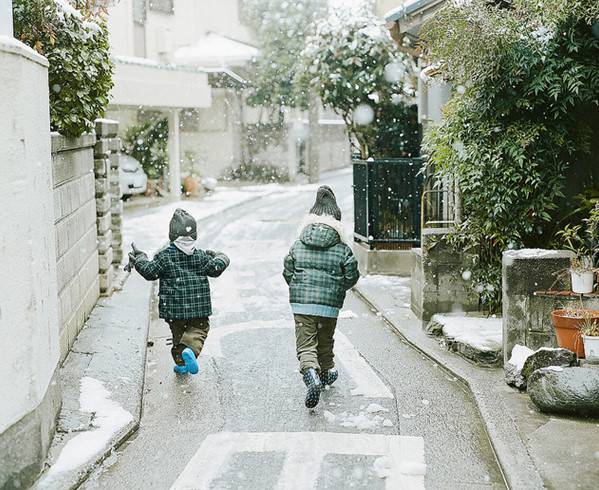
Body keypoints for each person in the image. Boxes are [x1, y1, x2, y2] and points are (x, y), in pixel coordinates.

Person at [127, 208, 230, 375]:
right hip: (198, 308)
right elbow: (216, 269)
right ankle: (189, 351)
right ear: (194, 235)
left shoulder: (164, 256)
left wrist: (140, 258)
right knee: (198, 331)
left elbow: (149, 272)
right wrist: (221, 256)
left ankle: (181, 363)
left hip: (174, 310)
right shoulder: (201, 256)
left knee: (178, 336)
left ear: (172, 234)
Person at [283, 186, 360, 408]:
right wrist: (338, 288)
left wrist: (297, 286)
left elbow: (288, 268)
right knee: (325, 340)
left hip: (302, 304)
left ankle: (311, 373)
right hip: (329, 306)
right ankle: (325, 373)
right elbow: (351, 274)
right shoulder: (342, 248)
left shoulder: (298, 244)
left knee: (306, 343)